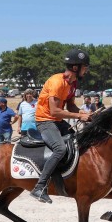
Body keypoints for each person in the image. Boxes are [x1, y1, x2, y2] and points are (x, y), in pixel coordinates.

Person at [30, 48, 92, 203]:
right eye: (85, 67)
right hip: (45, 121)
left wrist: (87, 115)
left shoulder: (73, 83)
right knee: (60, 148)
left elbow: (70, 106)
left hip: (56, 121)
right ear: (75, 68)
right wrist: (80, 116)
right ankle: (40, 187)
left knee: (78, 142)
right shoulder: (57, 82)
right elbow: (55, 111)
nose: (87, 70)